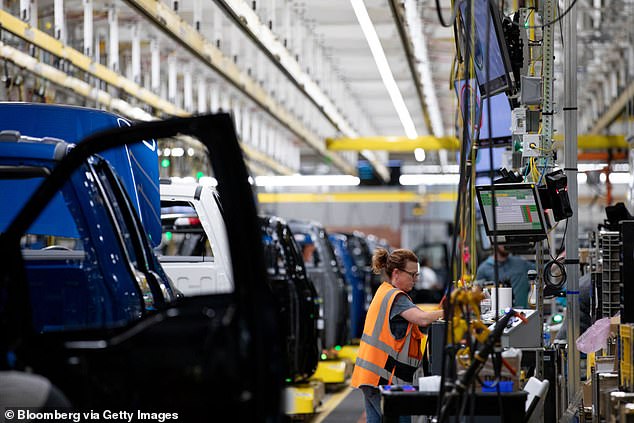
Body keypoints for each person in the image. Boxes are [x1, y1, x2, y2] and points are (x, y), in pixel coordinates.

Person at [351, 248, 444, 423]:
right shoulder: (397, 297)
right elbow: (422, 319)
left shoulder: (384, 291)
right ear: (396, 273)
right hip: (383, 379)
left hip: (370, 376)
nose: (415, 280)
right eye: (412, 275)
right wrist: (449, 312)